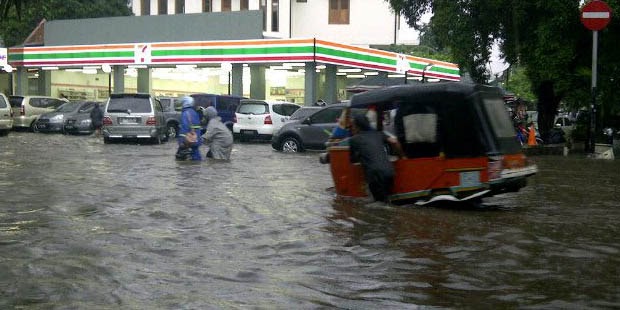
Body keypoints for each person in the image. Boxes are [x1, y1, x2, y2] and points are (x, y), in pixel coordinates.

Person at [349, 114, 405, 202]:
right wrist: (402, 157)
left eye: (352, 126)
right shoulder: (378, 134)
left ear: (357, 126)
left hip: (374, 174)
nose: (351, 128)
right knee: (387, 201)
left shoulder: (354, 140)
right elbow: (395, 142)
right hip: (389, 171)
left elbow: (352, 160)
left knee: (379, 204)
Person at [176, 96, 202, 161]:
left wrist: (181, 141)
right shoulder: (194, 112)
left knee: (184, 161)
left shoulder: (185, 113)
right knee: (196, 158)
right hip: (196, 139)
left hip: (188, 141)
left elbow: (184, 128)